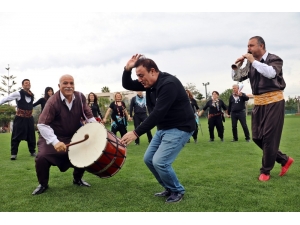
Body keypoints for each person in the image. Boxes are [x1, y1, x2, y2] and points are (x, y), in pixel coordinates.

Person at [121, 54, 195, 203]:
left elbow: (158, 113)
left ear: (153, 71)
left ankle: (177, 191)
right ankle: (169, 188)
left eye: (141, 75)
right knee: (149, 159)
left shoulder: (169, 84)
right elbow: (127, 85)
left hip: (180, 127)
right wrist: (127, 69)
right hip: (164, 128)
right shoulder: (149, 84)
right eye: (138, 76)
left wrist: (136, 132)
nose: (140, 80)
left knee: (160, 161)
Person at [232, 36, 294, 181]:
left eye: (251, 45)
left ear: (261, 46)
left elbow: (271, 73)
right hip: (259, 103)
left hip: (274, 101)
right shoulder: (250, 63)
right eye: (248, 46)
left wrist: (253, 61)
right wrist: (238, 66)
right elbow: (237, 78)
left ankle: (265, 171)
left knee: (269, 137)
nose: (248, 49)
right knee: (256, 137)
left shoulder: (275, 59)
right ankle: (284, 160)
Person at [32, 74, 97, 195]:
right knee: (42, 157)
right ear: (59, 86)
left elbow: (88, 115)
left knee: (83, 152)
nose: (69, 86)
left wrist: (96, 128)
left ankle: (77, 179)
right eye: (65, 83)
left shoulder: (80, 97)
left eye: (71, 83)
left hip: (72, 136)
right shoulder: (52, 101)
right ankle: (43, 184)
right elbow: (42, 125)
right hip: (52, 138)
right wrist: (55, 142)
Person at [0, 79, 36, 160]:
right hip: (20, 119)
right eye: (26, 83)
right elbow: (7, 98)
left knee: (31, 136)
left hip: (29, 118)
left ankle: (32, 151)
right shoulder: (18, 93)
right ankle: (13, 154)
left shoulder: (31, 95)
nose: (28, 84)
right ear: (22, 85)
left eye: (29, 83)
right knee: (16, 136)